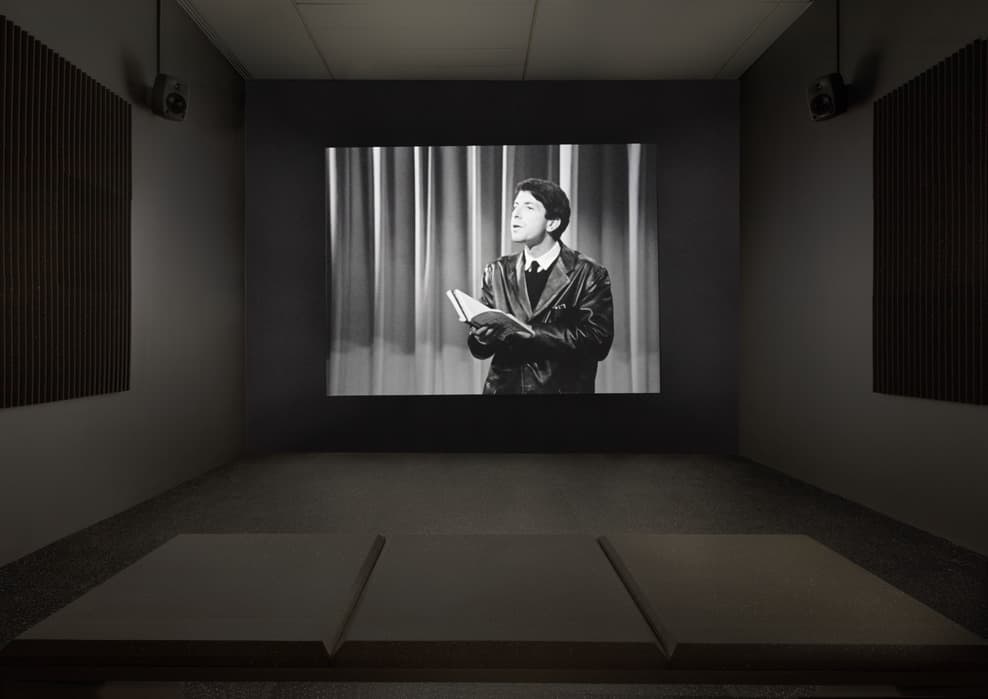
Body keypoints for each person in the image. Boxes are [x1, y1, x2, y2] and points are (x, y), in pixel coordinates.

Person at [467, 178, 614, 394]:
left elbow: (597, 341)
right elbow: (479, 349)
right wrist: (481, 337)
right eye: (515, 206)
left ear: (552, 222)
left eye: (529, 207)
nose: (515, 214)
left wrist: (531, 334)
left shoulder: (589, 273)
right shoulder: (496, 270)